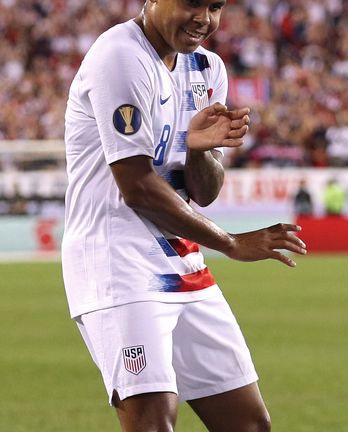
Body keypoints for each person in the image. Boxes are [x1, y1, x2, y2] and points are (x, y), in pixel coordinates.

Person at [62, 1, 307, 431]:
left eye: (215, 6)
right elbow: (136, 185)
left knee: (248, 424)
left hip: (182, 261)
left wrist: (198, 151)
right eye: (193, 2)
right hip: (117, 260)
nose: (204, 18)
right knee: (153, 423)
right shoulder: (120, 55)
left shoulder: (207, 68)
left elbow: (204, 192)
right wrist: (231, 243)